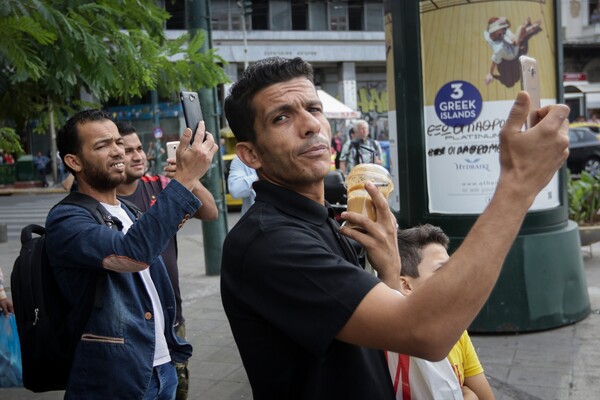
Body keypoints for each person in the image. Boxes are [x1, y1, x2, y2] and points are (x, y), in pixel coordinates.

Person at [219, 56, 569, 398]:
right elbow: (426, 332)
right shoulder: (272, 242)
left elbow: (362, 334)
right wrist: (519, 184)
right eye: (281, 117)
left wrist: (388, 268)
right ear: (251, 155)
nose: (310, 125)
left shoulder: (320, 218)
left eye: (313, 109)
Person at [46, 109, 218, 398]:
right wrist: (185, 179)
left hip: (163, 366)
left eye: (118, 143)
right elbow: (130, 256)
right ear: (73, 161)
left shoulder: (130, 211)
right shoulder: (66, 218)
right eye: (102, 146)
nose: (118, 152)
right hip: (116, 376)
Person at [115, 120, 218, 400]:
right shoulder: (104, 203)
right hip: (130, 320)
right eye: (127, 151)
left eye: (139, 148)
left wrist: (188, 181)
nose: (137, 156)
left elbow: (210, 212)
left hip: (171, 314)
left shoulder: (160, 186)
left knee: (176, 389)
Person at [393, 224, 495, 400]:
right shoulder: (389, 344)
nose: (453, 279)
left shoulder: (457, 334)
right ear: (406, 285)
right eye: (441, 270)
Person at [483, 16, 541, 86]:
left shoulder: (488, 34)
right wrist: (490, 73)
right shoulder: (499, 49)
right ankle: (527, 26)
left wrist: (502, 27)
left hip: (507, 44)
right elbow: (494, 62)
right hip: (512, 54)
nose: (504, 29)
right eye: (501, 28)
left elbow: (507, 25)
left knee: (520, 36)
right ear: (495, 31)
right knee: (519, 32)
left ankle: (529, 27)